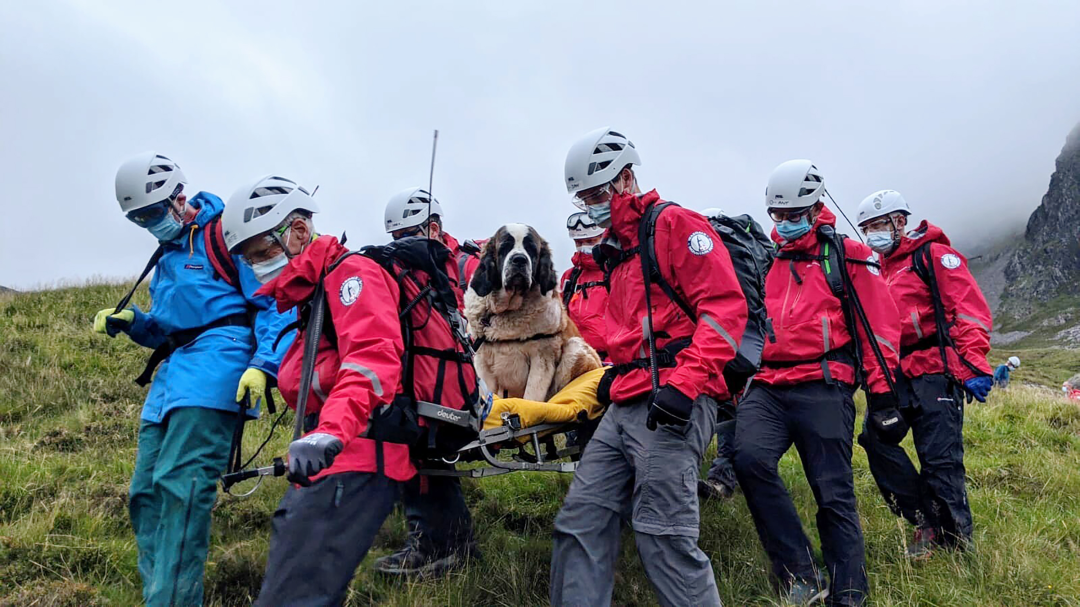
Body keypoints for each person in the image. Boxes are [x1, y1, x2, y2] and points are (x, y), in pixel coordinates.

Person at [550, 127, 748, 607]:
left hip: (673, 401)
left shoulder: (675, 226)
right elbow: (631, 332)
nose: (591, 204)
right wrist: (617, 371)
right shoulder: (616, 251)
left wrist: (685, 385)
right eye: (583, 198)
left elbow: (723, 311)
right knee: (580, 521)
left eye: (597, 193)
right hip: (627, 400)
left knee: (663, 536)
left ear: (626, 179)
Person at [94, 153, 293, 606]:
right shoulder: (165, 256)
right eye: (137, 218)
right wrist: (135, 322)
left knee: (181, 487)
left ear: (178, 198)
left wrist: (263, 366)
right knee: (145, 493)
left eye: (151, 212)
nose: (148, 224)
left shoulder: (226, 236)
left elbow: (273, 305)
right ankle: (161, 594)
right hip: (171, 378)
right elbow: (169, 327)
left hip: (217, 370)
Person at [221, 175, 413, 605]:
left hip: (355, 453)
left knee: (293, 596)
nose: (257, 267)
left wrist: (330, 431)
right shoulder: (313, 293)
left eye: (263, 252)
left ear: (299, 231)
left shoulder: (351, 275)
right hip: (331, 453)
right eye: (249, 259)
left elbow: (372, 358)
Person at [733, 161, 900, 606]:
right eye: (778, 216)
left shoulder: (848, 255)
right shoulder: (768, 260)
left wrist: (883, 395)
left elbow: (879, 328)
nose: (785, 224)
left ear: (817, 206)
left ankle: (848, 593)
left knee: (832, 492)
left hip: (825, 385)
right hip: (768, 385)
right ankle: (799, 572)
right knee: (748, 459)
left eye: (794, 215)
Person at [855, 190, 993, 558]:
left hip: (935, 370)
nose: (872, 235)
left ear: (900, 222)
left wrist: (974, 363)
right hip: (893, 375)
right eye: (866, 229)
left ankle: (957, 546)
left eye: (878, 226)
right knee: (874, 439)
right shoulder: (873, 269)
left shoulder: (933, 256)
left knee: (940, 460)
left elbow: (968, 309)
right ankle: (926, 519)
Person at [376, 187, 477, 578]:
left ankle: (439, 543)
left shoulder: (467, 264)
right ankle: (448, 542)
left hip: (467, 377)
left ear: (433, 227)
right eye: (396, 239)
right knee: (418, 450)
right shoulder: (404, 269)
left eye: (409, 235)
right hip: (423, 379)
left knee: (423, 452)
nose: (402, 245)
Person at [560, 211, 609, 360]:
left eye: (590, 241)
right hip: (577, 359)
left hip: (612, 361)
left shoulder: (617, 271)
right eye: (579, 243)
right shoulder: (570, 277)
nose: (584, 247)